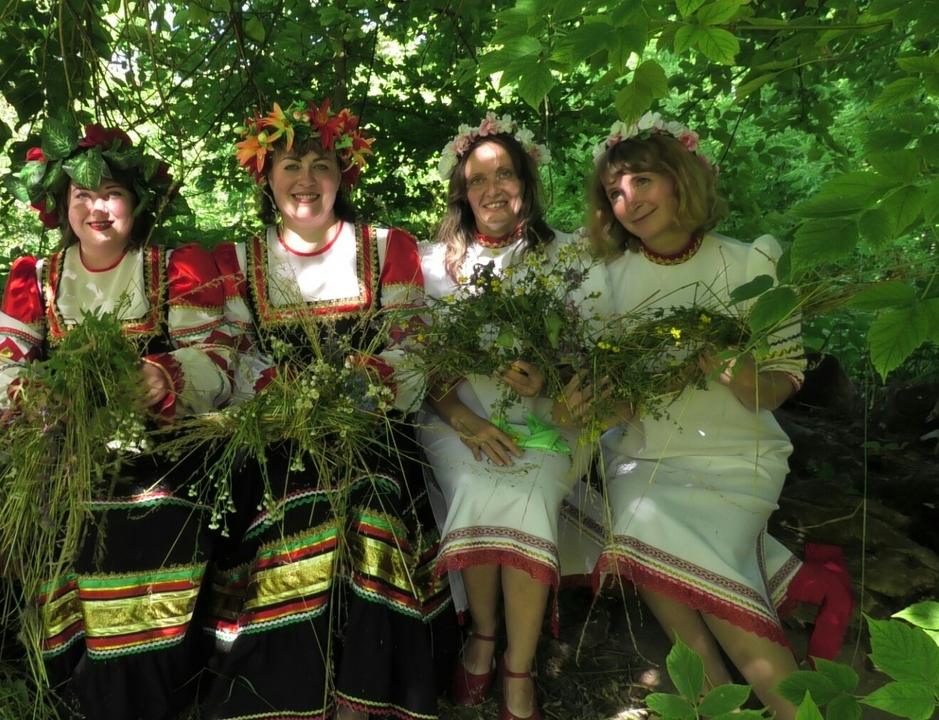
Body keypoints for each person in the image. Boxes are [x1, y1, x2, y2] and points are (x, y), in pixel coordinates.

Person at [204, 99, 454, 720]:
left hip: (373, 428)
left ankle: (367, 691)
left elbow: (413, 344)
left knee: (373, 497)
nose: (306, 180)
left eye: (322, 165)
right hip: (278, 432)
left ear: (344, 176)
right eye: (291, 165)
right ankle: (285, 689)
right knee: (297, 507)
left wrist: (360, 385)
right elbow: (228, 358)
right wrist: (283, 393)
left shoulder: (384, 247)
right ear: (265, 175)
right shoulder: (239, 261)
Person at [0, 124, 232, 719]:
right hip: (67, 449)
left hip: (164, 445)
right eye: (81, 194)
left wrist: (164, 377)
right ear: (62, 206)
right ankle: (81, 687)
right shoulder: (36, 278)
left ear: (135, 203)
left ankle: (157, 684)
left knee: (150, 510)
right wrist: (35, 393)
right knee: (62, 515)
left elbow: (217, 361)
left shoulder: (174, 267)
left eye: (110, 191)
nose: (96, 206)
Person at [583, 112, 810, 719]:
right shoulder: (606, 284)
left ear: (680, 178)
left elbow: (782, 384)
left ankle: (796, 714)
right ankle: (716, 702)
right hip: (646, 457)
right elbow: (618, 406)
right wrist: (595, 398)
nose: (628, 200)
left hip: (742, 457)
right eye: (614, 192)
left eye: (641, 181)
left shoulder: (750, 265)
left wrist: (743, 375)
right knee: (638, 517)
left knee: (693, 548)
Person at [417, 113, 604, 720]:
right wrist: (464, 421)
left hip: (551, 419)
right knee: (475, 483)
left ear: (527, 180)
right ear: (462, 192)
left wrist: (551, 377)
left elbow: (598, 356)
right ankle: (484, 637)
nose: (492, 189)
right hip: (456, 419)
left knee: (528, 495)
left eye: (505, 174)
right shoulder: (431, 265)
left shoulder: (569, 258)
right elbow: (417, 365)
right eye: (478, 179)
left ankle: (518, 666)